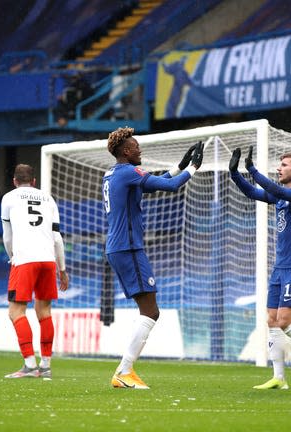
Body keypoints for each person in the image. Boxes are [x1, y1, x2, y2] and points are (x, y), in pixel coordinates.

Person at [103, 127, 203, 389]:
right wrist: (193, 168)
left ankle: (125, 371)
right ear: (126, 151)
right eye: (136, 147)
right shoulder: (127, 172)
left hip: (119, 247)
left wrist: (179, 165)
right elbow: (169, 186)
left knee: (149, 310)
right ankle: (124, 372)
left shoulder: (114, 173)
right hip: (129, 248)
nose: (140, 150)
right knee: (150, 311)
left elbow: (151, 184)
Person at [229, 147, 291, 389]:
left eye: (283, 165)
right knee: (272, 320)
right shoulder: (281, 196)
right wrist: (235, 173)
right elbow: (253, 192)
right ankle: (279, 378)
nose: (278, 168)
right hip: (280, 266)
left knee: (284, 320)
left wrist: (252, 169)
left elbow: (274, 188)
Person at [1, 164, 69, 379]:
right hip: (48, 260)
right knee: (44, 312)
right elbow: (57, 238)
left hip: (24, 260)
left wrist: (12, 256)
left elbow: (7, 236)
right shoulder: (48, 199)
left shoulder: (9, 198)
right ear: (34, 181)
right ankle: (46, 365)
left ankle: (30, 365)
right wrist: (63, 269)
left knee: (15, 312)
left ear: (14, 181)